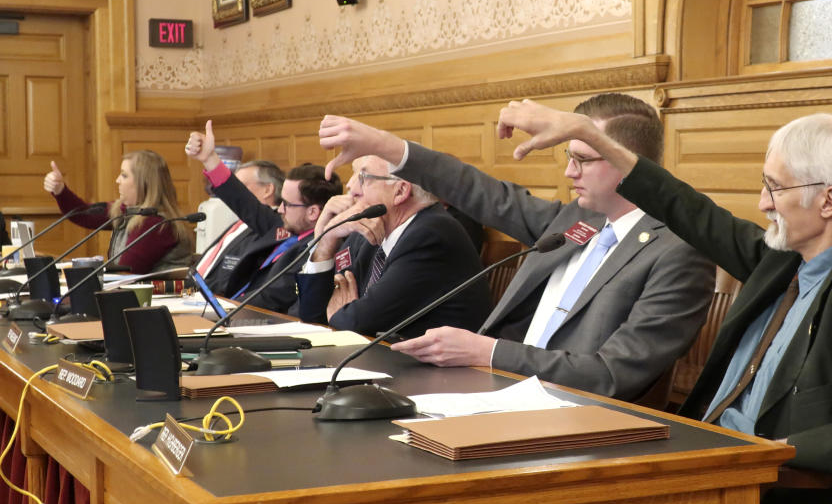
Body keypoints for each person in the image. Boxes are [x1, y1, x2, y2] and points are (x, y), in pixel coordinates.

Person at [493, 100, 832, 504]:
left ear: (828, 200)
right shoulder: (782, 260)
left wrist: (777, 451)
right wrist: (594, 137)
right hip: (703, 468)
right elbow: (685, 208)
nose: (762, 203)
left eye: (774, 188)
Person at [314, 93, 715, 402]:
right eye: (568, 156)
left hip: (573, 421)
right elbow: (481, 192)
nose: (568, 171)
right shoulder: (578, 219)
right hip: (493, 394)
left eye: (583, 159)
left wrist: (488, 352)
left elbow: (610, 375)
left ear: (631, 162)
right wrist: (387, 147)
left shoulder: (677, 253)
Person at [296, 154, 492, 339]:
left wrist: (341, 313)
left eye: (364, 177)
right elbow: (313, 315)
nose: (351, 186)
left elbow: (355, 322)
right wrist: (327, 239)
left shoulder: (431, 234)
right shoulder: (371, 230)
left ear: (400, 191)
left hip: (447, 372)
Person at [186, 122, 341, 313]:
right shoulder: (281, 224)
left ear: (313, 213)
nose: (280, 209)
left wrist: (226, 314)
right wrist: (210, 159)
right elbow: (242, 201)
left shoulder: (320, 250)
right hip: (227, 307)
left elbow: (274, 298)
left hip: (253, 319)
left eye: (287, 204)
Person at [43, 152, 193, 274]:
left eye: (124, 175)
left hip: (164, 303)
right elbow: (84, 215)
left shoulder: (156, 223)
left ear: (144, 183)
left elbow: (125, 272)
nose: (117, 180)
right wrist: (60, 191)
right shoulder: (126, 212)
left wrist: (76, 271)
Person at [193, 159, 286, 295]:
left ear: (268, 189)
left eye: (240, 186)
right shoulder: (238, 225)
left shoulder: (272, 228)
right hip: (194, 293)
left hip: (217, 301)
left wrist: (209, 158)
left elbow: (231, 278)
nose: (234, 192)